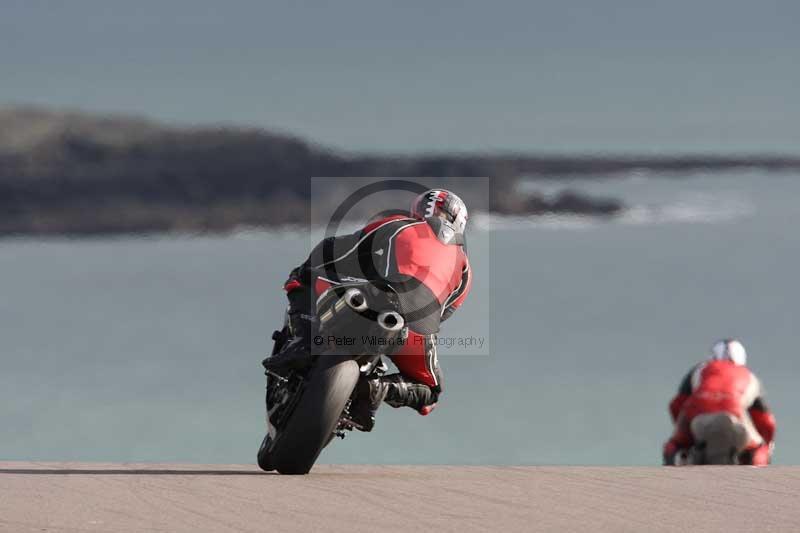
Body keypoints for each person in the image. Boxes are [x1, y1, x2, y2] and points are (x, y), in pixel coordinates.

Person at [264, 189, 472, 430]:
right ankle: (377, 389)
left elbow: (346, 249)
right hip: (418, 329)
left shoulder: (400, 224)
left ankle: (301, 342)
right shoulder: (465, 269)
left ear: (419, 209)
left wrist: (315, 270)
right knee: (431, 392)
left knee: (303, 276)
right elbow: (444, 312)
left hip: (376, 296)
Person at [663, 339, 776, 465]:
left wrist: (684, 436)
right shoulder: (750, 376)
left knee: (673, 444)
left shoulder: (699, 369)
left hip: (698, 418)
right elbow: (767, 421)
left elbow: (676, 405)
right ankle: (759, 474)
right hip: (734, 417)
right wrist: (768, 442)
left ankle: (670, 465)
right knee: (760, 447)